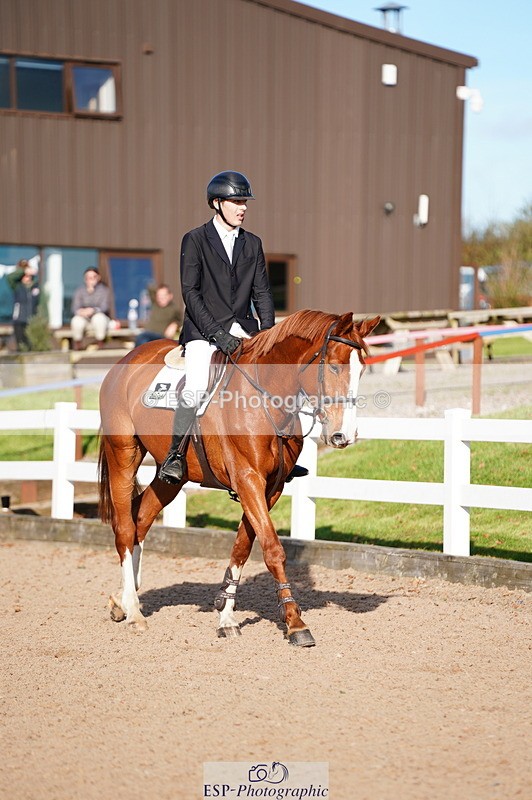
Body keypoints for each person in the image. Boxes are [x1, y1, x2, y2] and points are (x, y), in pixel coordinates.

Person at [158, 170, 308, 485]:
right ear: (217, 203)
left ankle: (282, 453)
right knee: (197, 384)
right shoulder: (195, 239)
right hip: (203, 331)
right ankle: (175, 455)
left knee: (278, 379)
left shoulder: (252, 243)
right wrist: (217, 334)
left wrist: (269, 336)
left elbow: (262, 293)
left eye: (245, 202)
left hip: (244, 329)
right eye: (236, 202)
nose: (243, 208)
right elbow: (190, 293)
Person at [70, 268, 111, 350]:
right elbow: (75, 307)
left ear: (98, 278)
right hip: (84, 317)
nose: (91, 280)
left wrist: (93, 310)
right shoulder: (80, 290)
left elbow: (104, 307)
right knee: (76, 321)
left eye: (93, 277)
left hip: (98, 315)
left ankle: (100, 344)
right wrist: (81, 312)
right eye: (88, 278)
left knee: (99, 319)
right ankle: (78, 345)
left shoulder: (104, 290)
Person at [7, 260, 40, 351]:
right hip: (19, 320)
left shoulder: (36, 287)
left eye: (28, 275)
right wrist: (24, 270)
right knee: (21, 345)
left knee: (32, 346)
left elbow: (41, 304)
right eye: (24, 275)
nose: (27, 277)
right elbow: (10, 277)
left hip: (32, 321)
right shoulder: (17, 286)